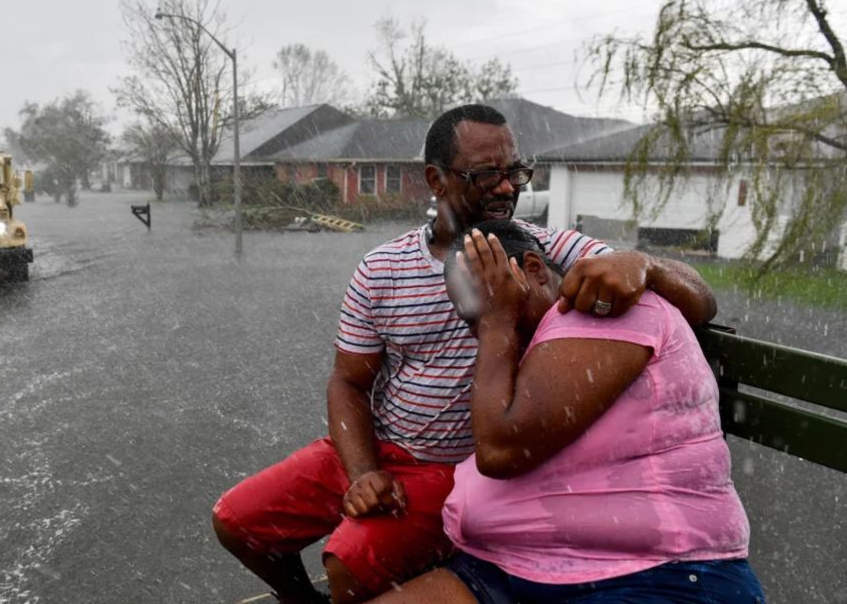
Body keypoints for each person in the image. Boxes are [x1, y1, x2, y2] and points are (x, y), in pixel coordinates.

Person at [212, 104, 719, 604]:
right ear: (436, 179)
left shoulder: (536, 250)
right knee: (238, 521)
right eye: (486, 174)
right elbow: (348, 382)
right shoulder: (381, 269)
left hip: (453, 470)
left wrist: (645, 265)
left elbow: (700, 299)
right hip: (378, 446)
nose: (507, 187)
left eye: (515, 171)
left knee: (348, 562)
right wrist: (364, 471)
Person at [367, 220, 765, 604]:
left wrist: (496, 322)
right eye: (471, 318)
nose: (480, 330)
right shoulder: (539, 337)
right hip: (514, 567)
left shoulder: (598, 308)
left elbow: (502, 449)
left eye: (491, 300)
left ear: (535, 270)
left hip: (652, 574)